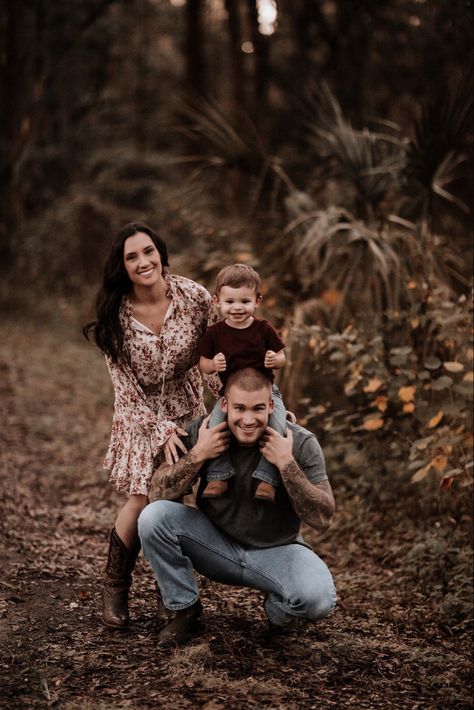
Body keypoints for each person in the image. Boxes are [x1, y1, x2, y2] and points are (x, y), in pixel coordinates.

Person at [138, 367, 336, 647]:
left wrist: (286, 464)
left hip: (276, 550)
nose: (248, 419)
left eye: (257, 409)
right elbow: (158, 491)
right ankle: (185, 610)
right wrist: (199, 455)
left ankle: (278, 614)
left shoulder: (299, 442)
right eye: (239, 408)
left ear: (271, 405)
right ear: (225, 404)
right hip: (214, 545)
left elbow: (323, 517)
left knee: (318, 599)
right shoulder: (204, 432)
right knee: (153, 517)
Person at [83, 221, 217, 631]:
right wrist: (161, 431)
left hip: (189, 410)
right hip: (140, 419)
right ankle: (115, 588)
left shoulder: (194, 297)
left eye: (148, 252)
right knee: (144, 500)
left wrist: (240, 397)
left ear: (161, 253)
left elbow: (215, 354)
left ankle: (171, 596)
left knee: (175, 504)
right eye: (131, 257)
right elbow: (125, 390)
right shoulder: (115, 318)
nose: (143, 262)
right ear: (122, 268)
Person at [198, 264, 286, 503]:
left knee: (278, 426)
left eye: (244, 301)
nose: (237, 308)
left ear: (257, 301)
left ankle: (268, 479)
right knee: (214, 426)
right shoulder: (215, 333)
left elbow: (281, 357)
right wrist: (213, 365)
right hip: (231, 397)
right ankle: (218, 475)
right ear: (217, 301)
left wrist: (274, 359)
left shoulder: (263, 329)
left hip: (266, 394)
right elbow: (203, 364)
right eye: (230, 301)